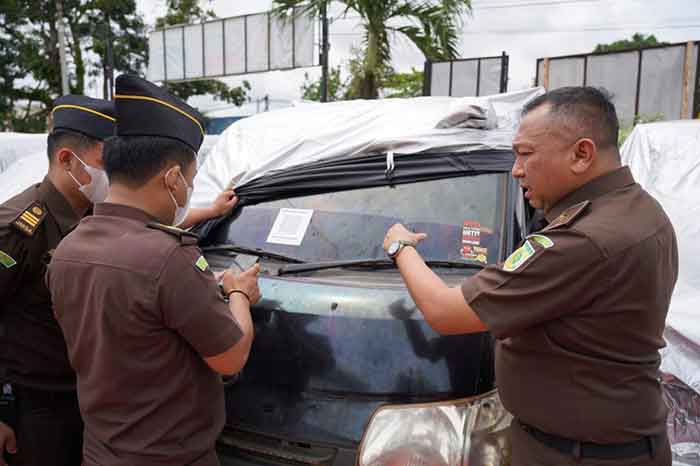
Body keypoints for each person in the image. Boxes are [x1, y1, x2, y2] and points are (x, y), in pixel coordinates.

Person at [382, 87, 677, 466]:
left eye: (525, 154)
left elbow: (444, 310)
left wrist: (400, 247)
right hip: (611, 442)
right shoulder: (641, 210)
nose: (516, 169)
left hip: (577, 454)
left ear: (581, 154)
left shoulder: (581, 240)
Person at [0, 94, 238, 466]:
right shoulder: (18, 226)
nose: (112, 174)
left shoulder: (95, 215)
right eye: (102, 162)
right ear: (67, 159)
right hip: (42, 408)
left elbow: (143, 232)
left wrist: (209, 211)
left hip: (98, 407)